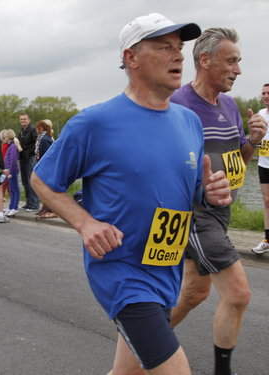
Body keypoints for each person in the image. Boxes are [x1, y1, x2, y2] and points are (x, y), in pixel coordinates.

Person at [31, 13, 231, 375]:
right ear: (131, 58)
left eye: (180, 48)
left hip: (165, 268)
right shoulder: (94, 123)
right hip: (122, 273)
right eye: (164, 47)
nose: (178, 57)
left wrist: (210, 193)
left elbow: (192, 191)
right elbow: (41, 180)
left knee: (127, 372)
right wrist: (84, 222)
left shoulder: (188, 122)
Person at [170, 28, 267, 375]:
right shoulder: (179, 105)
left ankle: (144, 339)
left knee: (194, 293)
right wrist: (200, 190)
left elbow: (238, 160)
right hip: (195, 214)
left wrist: (253, 140)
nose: (238, 70)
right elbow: (163, 168)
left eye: (239, 62)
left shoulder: (228, 104)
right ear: (205, 60)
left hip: (222, 213)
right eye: (231, 61)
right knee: (239, 294)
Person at [252, 83, 269, 254]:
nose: (266, 96)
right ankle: (267, 240)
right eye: (263, 93)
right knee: (267, 202)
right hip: (264, 163)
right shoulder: (260, 115)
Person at [34, 120, 56, 219]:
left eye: (37, 127)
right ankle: (45, 206)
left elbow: (48, 155)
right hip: (42, 164)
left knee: (46, 187)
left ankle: (49, 208)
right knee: (43, 187)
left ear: (41, 128)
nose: (36, 130)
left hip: (46, 166)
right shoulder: (41, 138)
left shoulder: (45, 139)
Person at [18, 113, 39, 211]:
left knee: (31, 180)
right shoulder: (22, 131)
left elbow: (36, 143)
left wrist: (27, 152)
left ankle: (34, 204)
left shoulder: (33, 130)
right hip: (22, 158)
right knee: (25, 181)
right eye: (21, 119)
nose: (23, 121)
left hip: (30, 158)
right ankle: (28, 203)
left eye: (24, 119)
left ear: (29, 120)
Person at [3, 129, 22, 217]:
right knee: (12, 189)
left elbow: (13, 160)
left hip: (12, 170)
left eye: (6, 136)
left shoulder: (13, 146)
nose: (5, 138)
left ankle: (14, 208)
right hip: (9, 170)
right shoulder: (10, 146)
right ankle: (11, 207)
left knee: (15, 189)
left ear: (9, 137)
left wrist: (10, 171)